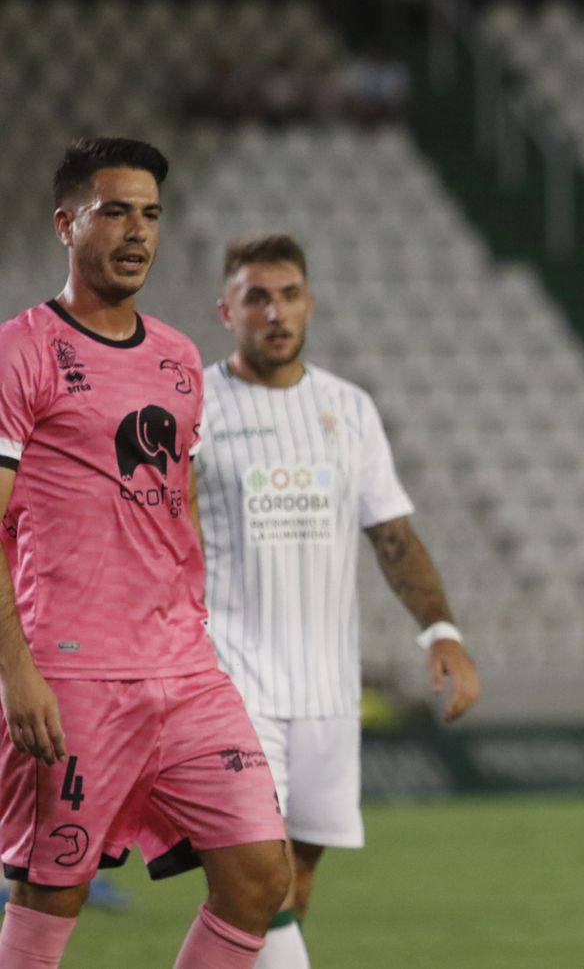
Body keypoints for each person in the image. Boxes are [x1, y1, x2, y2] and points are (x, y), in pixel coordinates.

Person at [0, 138, 289, 968]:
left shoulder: (176, 357)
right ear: (66, 224)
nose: (137, 232)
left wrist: (194, 616)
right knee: (53, 891)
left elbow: (174, 499)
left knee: (259, 874)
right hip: (73, 672)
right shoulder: (22, 352)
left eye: (151, 215)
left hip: (184, 670)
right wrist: (16, 672)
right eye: (116, 212)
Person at [194, 232, 482, 967]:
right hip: (232, 684)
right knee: (256, 883)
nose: (275, 312)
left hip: (327, 689)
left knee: (292, 885)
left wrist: (442, 632)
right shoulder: (193, 406)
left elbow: (392, 534)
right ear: (226, 311)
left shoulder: (348, 409)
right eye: (256, 298)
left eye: (289, 295)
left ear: (310, 304)